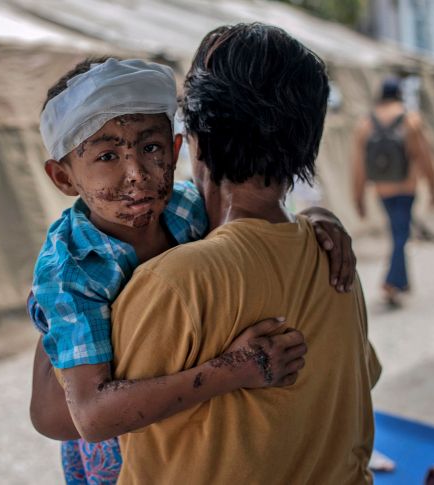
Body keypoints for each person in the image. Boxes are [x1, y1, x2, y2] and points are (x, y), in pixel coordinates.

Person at [27, 57, 358, 484]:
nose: (136, 174)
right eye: (107, 156)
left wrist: (317, 217)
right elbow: (90, 416)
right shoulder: (73, 271)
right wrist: (233, 370)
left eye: (151, 148)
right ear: (63, 178)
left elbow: (254, 209)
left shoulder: (186, 207)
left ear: (177, 149)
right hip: (113, 454)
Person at [109, 23, 381, 484]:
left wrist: (66, 282)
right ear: (308, 141)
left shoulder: (172, 282)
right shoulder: (334, 259)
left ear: (195, 138)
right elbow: (359, 379)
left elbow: (71, 416)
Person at [352, 76, 434, 306]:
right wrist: (433, 186)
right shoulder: (410, 119)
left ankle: (402, 281)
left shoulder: (365, 124)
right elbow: (425, 156)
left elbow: (358, 166)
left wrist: (358, 197)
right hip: (406, 188)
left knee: (398, 231)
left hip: (382, 190)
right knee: (401, 234)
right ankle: (392, 282)